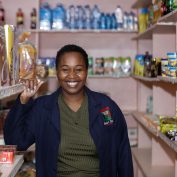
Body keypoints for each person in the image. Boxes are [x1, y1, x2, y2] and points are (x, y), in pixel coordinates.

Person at [4, 44, 133, 177]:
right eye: (65, 69)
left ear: (86, 71)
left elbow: (123, 153)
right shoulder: (43, 108)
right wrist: (23, 100)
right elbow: (16, 142)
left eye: (78, 69)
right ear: (57, 72)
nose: (72, 76)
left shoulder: (106, 107)